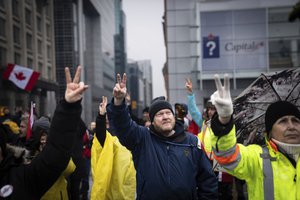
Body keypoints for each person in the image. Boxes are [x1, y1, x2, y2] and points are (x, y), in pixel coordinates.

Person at [107, 73, 218, 199]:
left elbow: (207, 181)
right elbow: (123, 127)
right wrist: (118, 102)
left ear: (173, 116)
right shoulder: (143, 138)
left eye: (168, 113)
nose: (165, 117)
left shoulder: (192, 142)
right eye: (159, 114)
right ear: (152, 121)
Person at [0, 66, 88, 199]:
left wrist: (68, 107)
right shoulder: (26, 151)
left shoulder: (20, 178)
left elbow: (58, 157)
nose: (21, 129)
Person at [209, 74, 300, 200]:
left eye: (295, 121)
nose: (291, 126)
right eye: (283, 121)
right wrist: (224, 121)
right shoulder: (258, 157)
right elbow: (227, 155)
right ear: (269, 133)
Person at [185, 78, 234, 200]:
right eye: (210, 109)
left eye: (214, 109)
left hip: (222, 164)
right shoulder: (204, 123)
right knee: (209, 192)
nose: (211, 111)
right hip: (206, 162)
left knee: (225, 192)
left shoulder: (225, 124)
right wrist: (190, 94)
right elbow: (193, 110)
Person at [90, 96, 136, 200]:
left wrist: (125, 104)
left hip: (126, 186)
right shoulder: (107, 137)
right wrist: (101, 116)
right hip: (111, 188)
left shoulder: (127, 134)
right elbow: (101, 133)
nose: (108, 118)